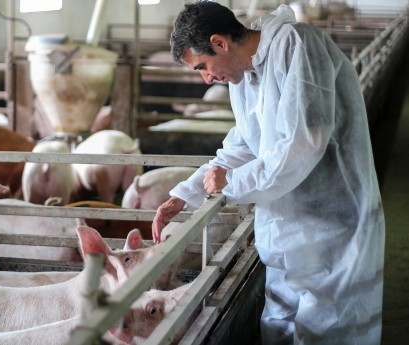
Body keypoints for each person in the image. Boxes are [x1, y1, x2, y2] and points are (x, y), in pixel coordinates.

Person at [152, 2, 385, 345]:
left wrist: (231, 183)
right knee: (280, 328)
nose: (207, 78)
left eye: (203, 66)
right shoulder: (243, 79)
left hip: (334, 230)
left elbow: (306, 141)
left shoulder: (297, 45)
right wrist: (185, 194)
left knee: (330, 332)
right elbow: (244, 146)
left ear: (219, 43)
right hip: (286, 231)